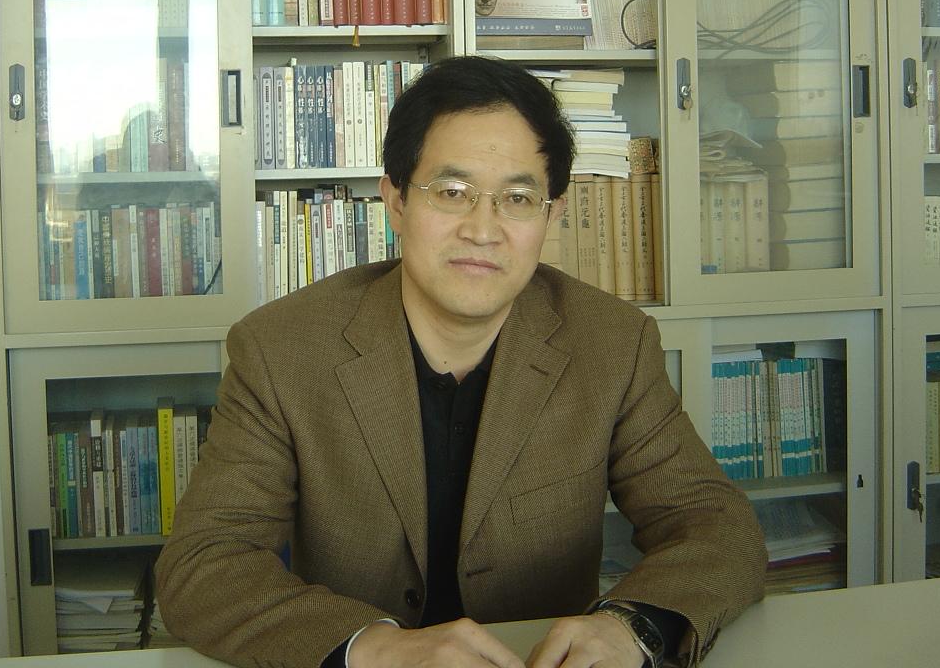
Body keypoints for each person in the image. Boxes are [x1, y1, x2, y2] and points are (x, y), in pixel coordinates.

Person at [155, 56, 766, 668]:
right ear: (395, 202)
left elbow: (716, 524)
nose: (483, 230)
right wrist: (377, 649)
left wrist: (635, 628)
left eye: (518, 199)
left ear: (552, 214)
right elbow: (204, 564)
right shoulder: (281, 350)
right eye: (452, 193)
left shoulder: (611, 344)